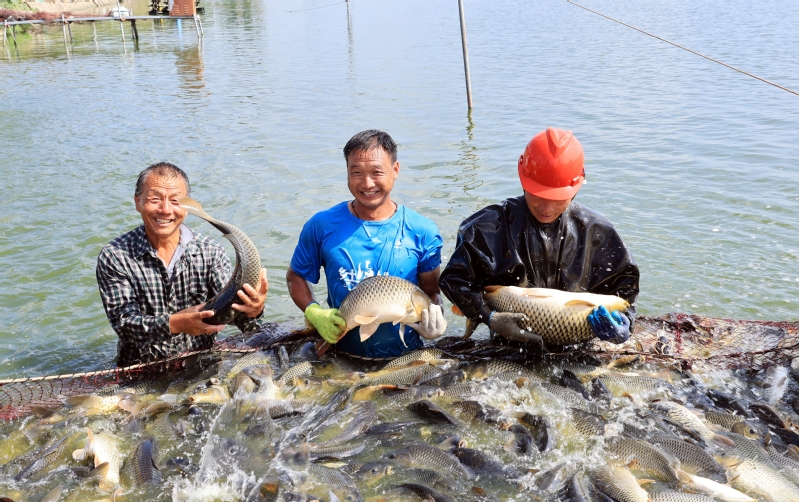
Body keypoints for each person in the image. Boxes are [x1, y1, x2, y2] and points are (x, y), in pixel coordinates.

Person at [439, 127, 639, 348]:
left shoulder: (599, 233)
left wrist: (624, 326)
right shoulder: (485, 228)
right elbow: (455, 281)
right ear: (522, 178)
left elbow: (625, 296)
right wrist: (490, 318)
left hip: (576, 345)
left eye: (558, 198)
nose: (546, 208)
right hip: (508, 343)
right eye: (538, 194)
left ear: (576, 187)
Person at [286, 130, 447, 359]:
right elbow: (296, 276)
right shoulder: (321, 225)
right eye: (357, 172)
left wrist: (434, 321)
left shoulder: (423, 231)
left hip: (406, 357)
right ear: (347, 172)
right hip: (341, 356)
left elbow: (431, 292)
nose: (367, 183)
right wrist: (314, 312)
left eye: (376, 172)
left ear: (395, 170)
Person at [97, 162, 267, 367]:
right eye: (154, 199)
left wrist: (253, 310)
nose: (165, 210)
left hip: (200, 366)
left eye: (175, 201)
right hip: (139, 368)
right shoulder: (115, 255)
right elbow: (124, 324)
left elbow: (242, 322)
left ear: (187, 208)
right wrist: (176, 324)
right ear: (138, 202)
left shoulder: (211, 252)